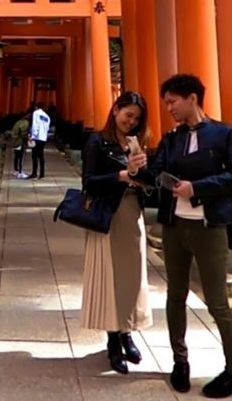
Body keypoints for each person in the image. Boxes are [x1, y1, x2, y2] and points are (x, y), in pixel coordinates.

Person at [141, 74, 232, 398]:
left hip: (209, 226)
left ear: (192, 98)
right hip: (174, 226)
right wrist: (138, 168)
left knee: (217, 301)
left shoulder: (224, 133)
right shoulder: (171, 138)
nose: (169, 108)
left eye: (173, 101)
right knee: (175, 295)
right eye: (166, 103)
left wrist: (197, 188)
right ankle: (180, 361)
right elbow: (155, 173)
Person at [79, 91, 153, 375]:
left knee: (132, 277)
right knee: (110, 278)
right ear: (115, 110)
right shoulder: (97, 141)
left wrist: (143, 174)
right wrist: (123, 175)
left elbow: (145, 180)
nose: (131, 122)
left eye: (136, 119)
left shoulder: (135, 142)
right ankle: (113, 338)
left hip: (132, 213)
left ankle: (127, 332)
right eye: (128, 115)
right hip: (107, 215)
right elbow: (89, 182)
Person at [27, 103, 50, 179]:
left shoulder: (36, 113)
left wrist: (33, 136)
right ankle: (42, 173)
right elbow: (47, 128)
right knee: (41, 156)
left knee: (34, 156)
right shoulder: (47, 117)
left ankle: (34, 173)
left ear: (36, 107)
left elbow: (35, 125)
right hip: (43, 138)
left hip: (37, 137)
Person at [9, 113, 31, 179]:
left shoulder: (18, 122)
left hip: (15, 141)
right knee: (21, 157)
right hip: (20, 142)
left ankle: (16, 170)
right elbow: (24, 134)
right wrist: (28, 140)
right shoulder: (26, 123)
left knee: (16, 156)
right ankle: (20, 173)